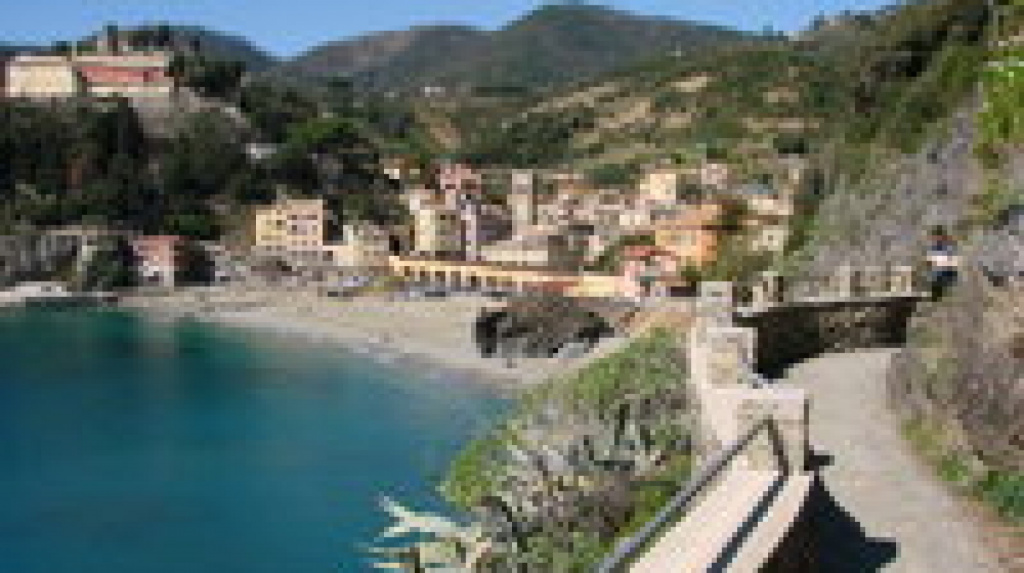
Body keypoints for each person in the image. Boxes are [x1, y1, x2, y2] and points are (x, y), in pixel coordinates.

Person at [925, 225, 959, 299]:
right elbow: (929, 262)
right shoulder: (932, 247)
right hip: (936, 276)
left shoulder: (949, 247)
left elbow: (953, 263)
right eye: (935, 237)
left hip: (946, 275)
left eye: (938, 237)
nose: (936, 239)